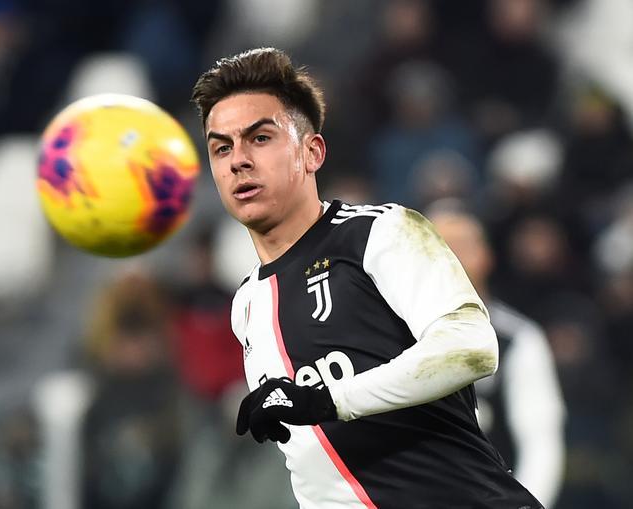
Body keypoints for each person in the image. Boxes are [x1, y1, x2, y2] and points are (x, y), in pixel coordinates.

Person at [190, 47, 543, 508]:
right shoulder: (247, 305)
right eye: (222, 148)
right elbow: (317, 472)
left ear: (312, 152)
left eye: (260, 138)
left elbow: (472, 346)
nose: (238, 160)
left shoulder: (380, 233)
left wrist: (328, 400)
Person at [429, 203, 566, 507]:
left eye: (460, 245)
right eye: (436, 246)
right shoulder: (389, 334)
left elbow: (540, 442)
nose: (450, 256)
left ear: (486, 256)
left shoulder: (517, 339)